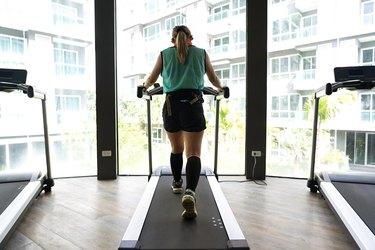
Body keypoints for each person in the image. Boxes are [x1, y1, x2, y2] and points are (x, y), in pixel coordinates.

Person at [142, 25, 223, 219]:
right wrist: (222, 88)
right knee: (193, 152)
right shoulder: (201, 53)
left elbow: (151, 78)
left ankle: (177, 182)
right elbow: (213, 79)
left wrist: (143, 86)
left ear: (173, 40)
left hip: (171, 106)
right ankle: (190, 192)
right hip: (193, 105)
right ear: (190, 39)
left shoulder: (164, 54)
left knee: (176, 148)